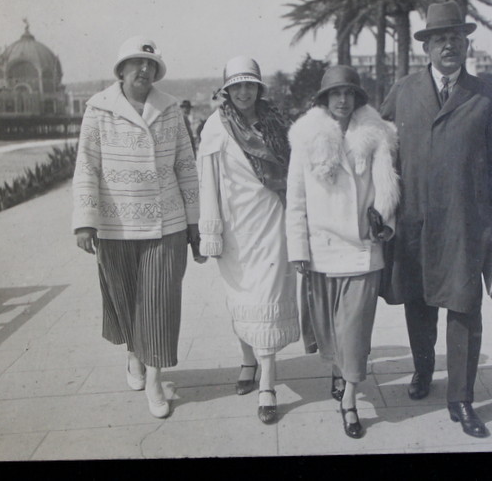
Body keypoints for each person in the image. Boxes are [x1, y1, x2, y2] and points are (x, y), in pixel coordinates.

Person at [380, 1, 492, 438]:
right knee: (419, 303)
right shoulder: (402, 91)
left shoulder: (484, 95)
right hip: (413, 220)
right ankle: (423, 372)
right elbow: (374, 150)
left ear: (467, 44)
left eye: (457, 37)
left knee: (464, 309)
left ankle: (463, 398)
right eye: (440, 39)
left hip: (463, 222)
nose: (449, 45)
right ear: (427, 48)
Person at [72, 36, 200, 419]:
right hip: (116, 225)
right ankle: (134, 356)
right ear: (121, 70)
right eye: (136, 64)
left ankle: (156, 381)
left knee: (160, 302)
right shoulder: (98, 109)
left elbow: (186, 168)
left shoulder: (170, 108)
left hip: (167, 224)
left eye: (150, 65)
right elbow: (87, 166)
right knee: (126, 299)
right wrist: (84, 221)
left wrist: (194, 224)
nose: (144, 70)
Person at [286, 65, 399, 439]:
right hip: (322, 249)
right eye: (335, 94)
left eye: (349, 93)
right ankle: (340, 371)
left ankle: (349, 398)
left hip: (363, 250)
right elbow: (295, 199)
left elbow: (388, 192)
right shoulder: (305, 138)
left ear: (358, 97)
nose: (342, 100)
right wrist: (298, 247)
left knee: (354, 330)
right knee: (330, 331)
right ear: (323, 99)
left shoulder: (378, 135)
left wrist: (383, 224)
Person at [197, 56, 299, 424]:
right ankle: (247, 360)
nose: (244, 92)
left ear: (259, 87)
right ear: (226, 90)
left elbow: (295, 172)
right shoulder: (215, 127)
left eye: (250, 84)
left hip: (274, 219)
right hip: (236, 225)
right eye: (236, 85)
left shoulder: (276, 122)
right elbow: (207, 180)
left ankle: (268, 383)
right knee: (240, 296)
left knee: (268, 295)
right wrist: (210, 229)